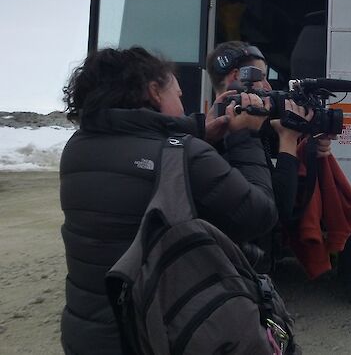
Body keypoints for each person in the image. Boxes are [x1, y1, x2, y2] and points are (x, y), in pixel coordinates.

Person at [59, 47, 279, 354]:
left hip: (87, 334)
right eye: (177, 95)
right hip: (153, 333)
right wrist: (246, 137)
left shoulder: (77, 148)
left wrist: (201, 130)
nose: (182, 103)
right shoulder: (183, 154)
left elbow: (146, 142)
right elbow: (259, 214)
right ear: (153, 92)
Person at [204, 41, 333, 272]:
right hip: (236, 270)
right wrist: (287, 139)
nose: (267, 85)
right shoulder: (233, 137)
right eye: (261, 76)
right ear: (238, 76)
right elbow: (277, 210)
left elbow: (269, 187)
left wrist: (303, 150)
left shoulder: (207, 131)